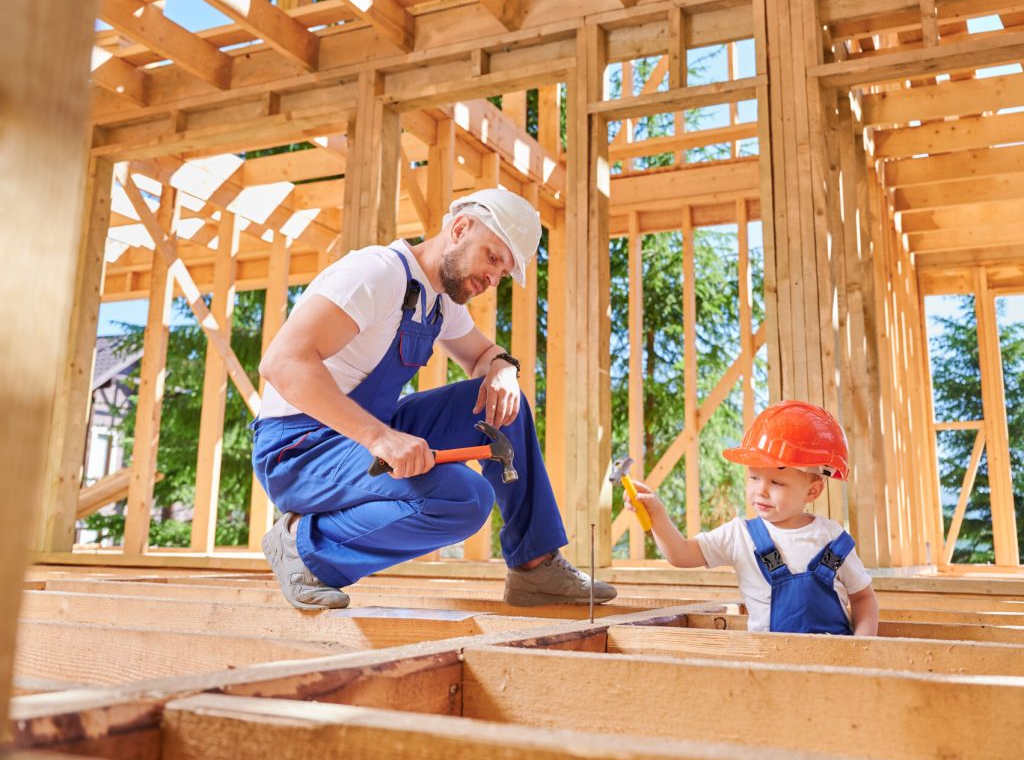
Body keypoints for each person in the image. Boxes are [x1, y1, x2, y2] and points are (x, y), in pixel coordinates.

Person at [251, 187, 616, 611]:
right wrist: (379, 439)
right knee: (464, 498)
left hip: (364, 436)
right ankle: (304, 546)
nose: (492, 279)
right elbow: (283, 363)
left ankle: (536, 567)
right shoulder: (376, 274)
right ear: (460, 229)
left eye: (502, 274)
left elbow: (482, 354)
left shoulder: (438, 301)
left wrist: (503, 370)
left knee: (503, 406)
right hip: (299, 450)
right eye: (493, 258)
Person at [628, 400, 879, 636]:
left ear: (812, 490)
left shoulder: (832, 540)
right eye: (753, 478)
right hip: (767, 664)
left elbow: (863, 598)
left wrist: (861, 648)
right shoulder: (740, 536)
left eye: (777, 482)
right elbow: (680, 554)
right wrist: (658, 516)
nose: (761, 490)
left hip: (833, 667)